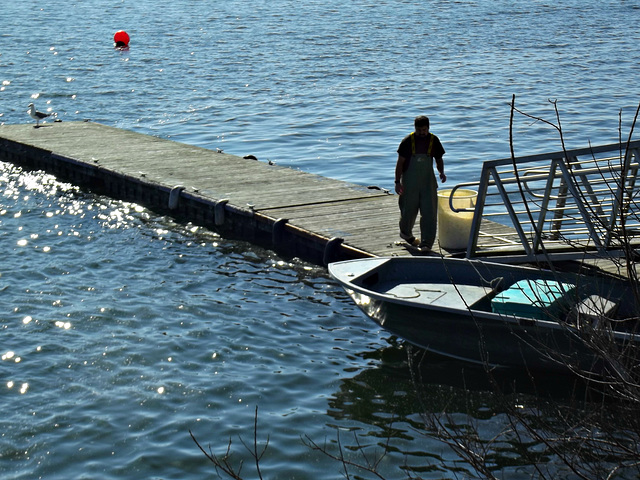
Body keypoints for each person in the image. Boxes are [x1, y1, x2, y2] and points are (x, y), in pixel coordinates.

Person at [395, 115, 446, 250]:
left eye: (424, 130)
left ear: (428, 128)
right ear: (415, 128)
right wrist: (397, 182)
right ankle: (406, 233)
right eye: (419, 130)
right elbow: (400, 163)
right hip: (409, 182)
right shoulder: (407, 141)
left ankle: (426, 243)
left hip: (427, 182)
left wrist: (441, 172)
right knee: (408, 210)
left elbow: (439, 159)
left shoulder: (433, 140)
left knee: (429, 212)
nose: (422, 133)